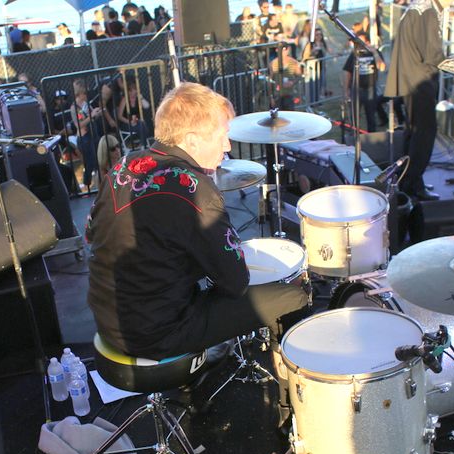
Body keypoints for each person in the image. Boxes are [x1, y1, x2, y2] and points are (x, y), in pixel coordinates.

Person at [86, 82, 309, 366]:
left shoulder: (124, 165)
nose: (228, 146)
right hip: (156, 334)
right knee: (291, 297)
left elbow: (92, 234)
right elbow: (235, 282)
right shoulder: (195, 189)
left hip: (107, 319)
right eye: (222, 136)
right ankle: (289, 387)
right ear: (192, 141)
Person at [385, 0, 445, 202]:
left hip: (410, 80)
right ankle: (413, 185)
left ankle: (408, 182)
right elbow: (435, 56)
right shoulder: (428, 13)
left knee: (413, 133)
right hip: (420, 82)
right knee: (424, 134)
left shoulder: (416, 8)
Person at [342, 30, 384, 132]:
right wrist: (346, 90)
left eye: (361, 41)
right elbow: (347, 72)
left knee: (371, 116)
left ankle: (371, 135)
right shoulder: (354, 54)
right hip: (356, 89)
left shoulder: (375, 53)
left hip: (370, 89)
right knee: (355, 116)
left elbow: (382, 67)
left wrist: (375, 53)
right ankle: (354, 134)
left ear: (367, 42)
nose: (359, 44)